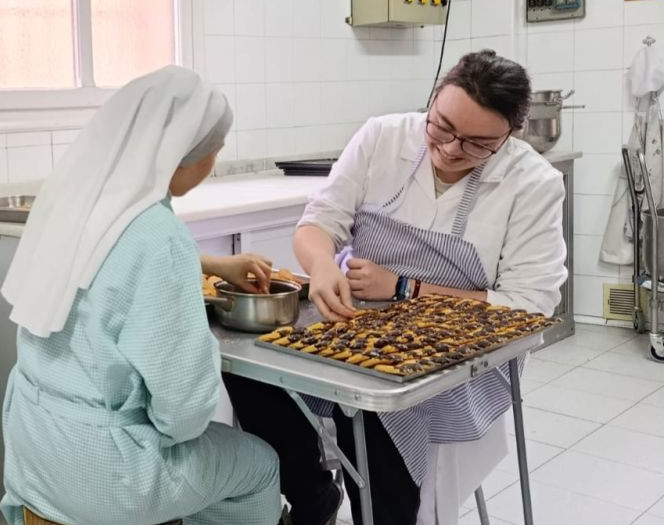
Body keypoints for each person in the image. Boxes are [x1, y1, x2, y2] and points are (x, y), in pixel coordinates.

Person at [226, 50, 567, 525]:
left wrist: (405, 287)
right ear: (432, 101)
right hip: (357, 318)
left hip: (464, 350)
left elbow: (528, 307)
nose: (450, 150)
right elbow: (319, 223)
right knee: (255, 375)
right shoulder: (382, 137)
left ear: (509, 136)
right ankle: (311, 494)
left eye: (476, 144)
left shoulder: (533, 183)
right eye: (442, 127)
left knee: (375, 411)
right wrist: (322, 263)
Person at [0, 66, 283, 525]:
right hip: (104, 473)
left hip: (32, 449)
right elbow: (184, 410)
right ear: (181, 153)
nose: (217, 158)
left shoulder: (75, 201)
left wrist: (209, 264)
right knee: (258, 466)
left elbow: (105, 270)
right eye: (214, 147)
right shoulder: (158, 234)